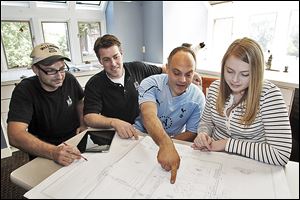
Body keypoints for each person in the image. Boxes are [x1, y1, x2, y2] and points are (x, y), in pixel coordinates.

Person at [192, 37, 292, 166]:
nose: (234, 80)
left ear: (256, 74)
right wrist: (203, 134)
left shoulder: (269, 95)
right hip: (216, 160)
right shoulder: (215, 88)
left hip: (252, 166)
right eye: (229, 71)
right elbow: (206, 122)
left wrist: (226, 144)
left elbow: (281, 154)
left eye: (244, 74)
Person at [134, 46, 206, 183]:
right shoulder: (150, 83)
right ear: (167, 68)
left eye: (188, 74)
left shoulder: (198, 98)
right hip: (140, 137)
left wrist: (169, 144)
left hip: (173, 142)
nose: (183, 80)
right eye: (177, 73)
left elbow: (191, 132)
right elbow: (148, 116)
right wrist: (165, 144)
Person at [7, 43, 87, 166]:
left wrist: (82, 124)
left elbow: (79, 101)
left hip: (74, 140)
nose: (59, 76)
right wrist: (53, 152)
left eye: (62, 69)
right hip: (44, 149)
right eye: (51, 71)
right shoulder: (25, 90)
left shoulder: (69, 79)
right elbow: (15, 135)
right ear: (36, 70)